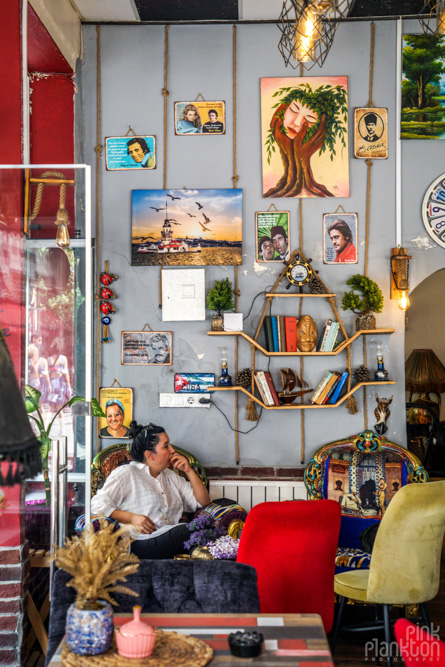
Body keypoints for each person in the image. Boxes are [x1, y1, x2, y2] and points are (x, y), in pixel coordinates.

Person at [91, 421, 211, 559]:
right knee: (198, 528)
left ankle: (198, 553)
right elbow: (97, 505)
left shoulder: (170, 476)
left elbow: (203, 502)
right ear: (149, 455)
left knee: (203, 530)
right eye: (166, 446)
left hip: (169, 538)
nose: (172, 450)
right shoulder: (126, 473)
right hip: (140, 542)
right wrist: (132, 518)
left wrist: (189, 471)